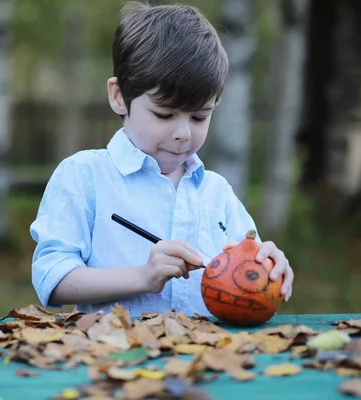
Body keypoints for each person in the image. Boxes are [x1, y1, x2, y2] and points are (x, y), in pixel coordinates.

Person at [29, 1, 294, 317]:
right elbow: (52, 278)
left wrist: (267, 268)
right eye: (164, 114)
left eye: (199, 117)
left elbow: (247, 280)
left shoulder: (217, 192)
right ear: (119, 97)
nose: (183, 132)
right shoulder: (84, 175)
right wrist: (142, 276)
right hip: (112, 358)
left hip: (208, 359)